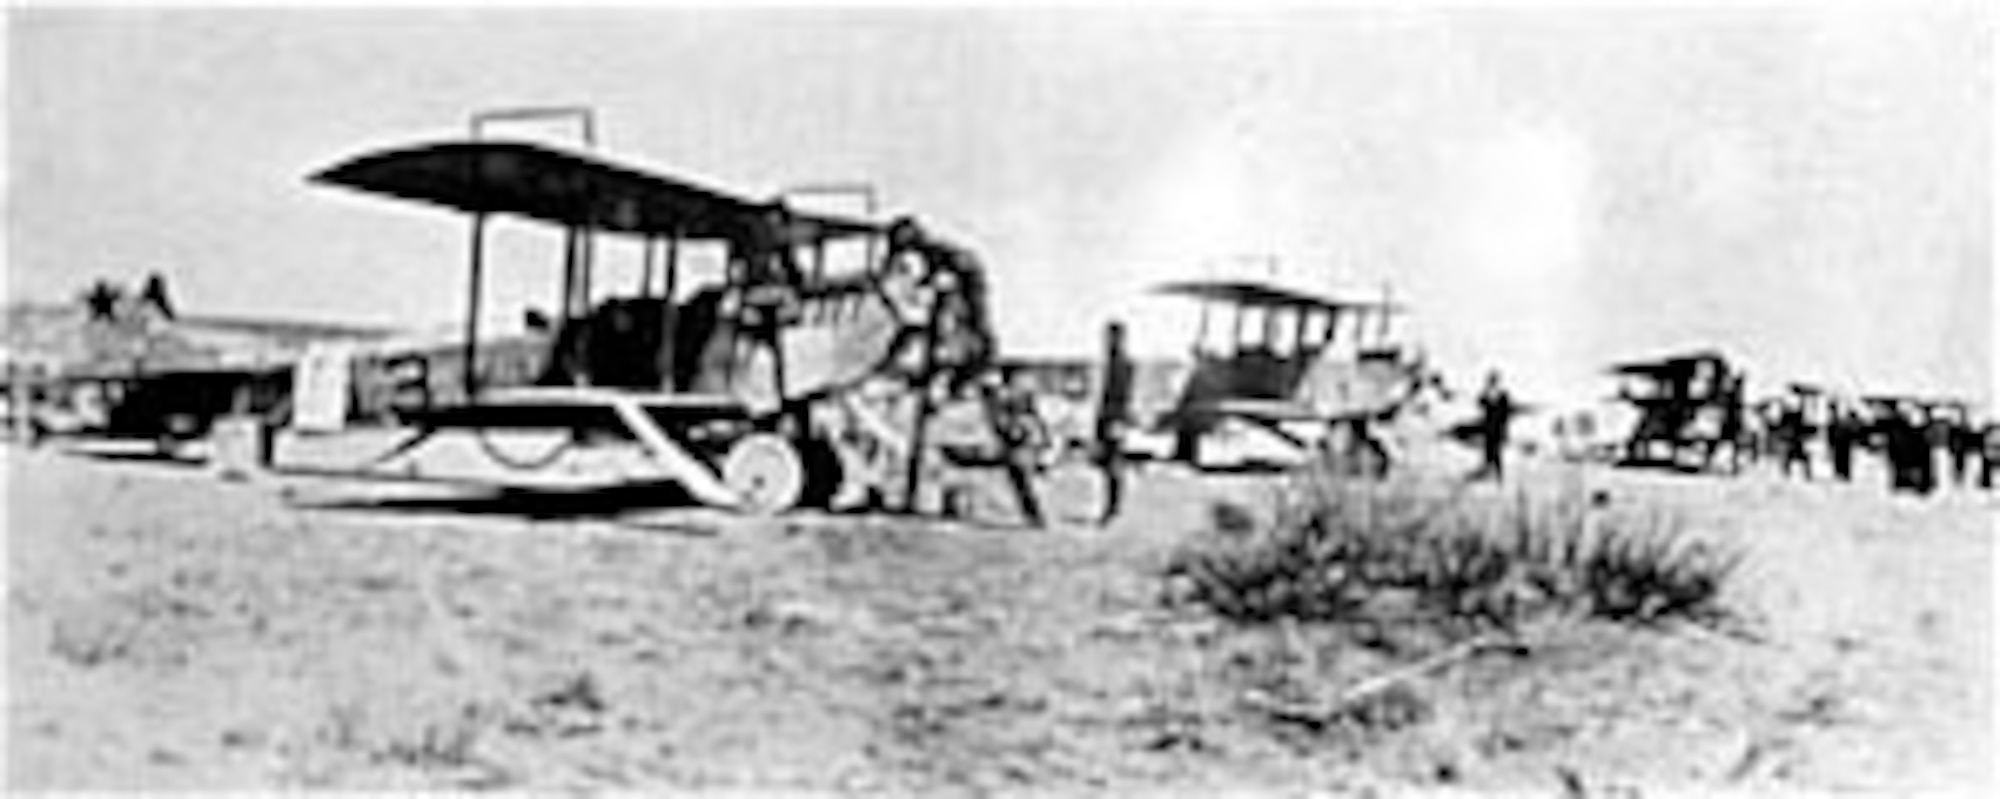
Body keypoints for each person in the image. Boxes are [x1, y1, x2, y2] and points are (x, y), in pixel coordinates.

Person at [1095, 321, 1135, 526]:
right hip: (1110, 418)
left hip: (1114, 418)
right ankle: (1112, 505)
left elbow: (1120, 396)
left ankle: (1112, 506)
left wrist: (1116, 420)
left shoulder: (1121, 364)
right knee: (1108, 463)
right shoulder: (1115, 362)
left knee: (1112, 463)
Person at [1474, 370, 1512, 481]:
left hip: (1497, 428)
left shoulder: (1502, 395)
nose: (1491, 383)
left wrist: (1505, 430)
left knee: (1496, 452)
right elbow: (1480, 403)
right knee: (1489, 450)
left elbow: (1505, 415)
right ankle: (1489, 471)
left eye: (1492, 381)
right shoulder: (1488, 394)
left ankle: (1498, 475)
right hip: (1490, 427)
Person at [1776, 399, 1813, 480]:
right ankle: (1788, 472)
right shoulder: (1791, 418)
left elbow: (1802, 410)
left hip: (1795, 443)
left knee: (1799, 457)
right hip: (1793, 443)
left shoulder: (1792, 418)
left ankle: (1789, 472)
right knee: (1792, 457)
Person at [1825, 402, 1858, 482]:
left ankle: (1842, 473)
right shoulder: (1835, 420)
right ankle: (1842, 473)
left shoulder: (1836, 420)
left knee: (1841, 457)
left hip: (1841, 439)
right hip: (1840, 439)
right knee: (1841, 457)